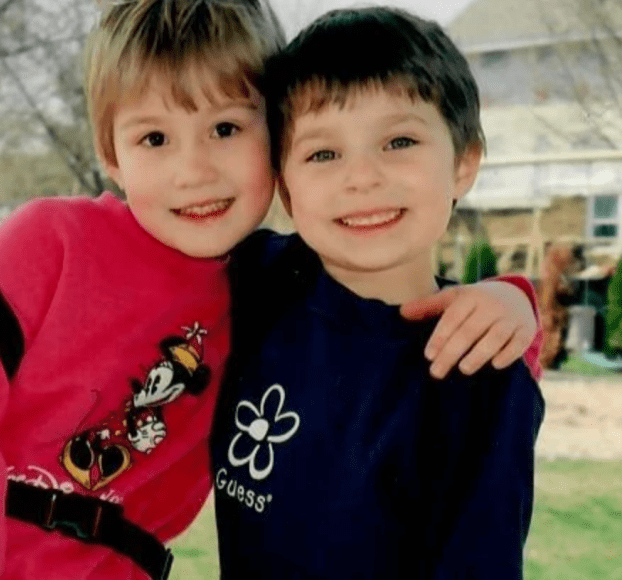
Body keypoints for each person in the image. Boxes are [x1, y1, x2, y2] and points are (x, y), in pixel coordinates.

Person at [0, 2, 539, 579]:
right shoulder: (58, 244)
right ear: (111, 153)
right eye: (155, 139)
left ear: (272, 147)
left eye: (226, 127)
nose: (194, 170)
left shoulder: (260, 282)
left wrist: (514, 300)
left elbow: (386, 294)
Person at [211, 7, 545, 579]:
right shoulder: (259, 281)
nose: (361, 177)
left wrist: (516, 302)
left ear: (463, 163)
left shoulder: (478, 376)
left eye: (399, 141)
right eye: (323, 153)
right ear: (285, 188)